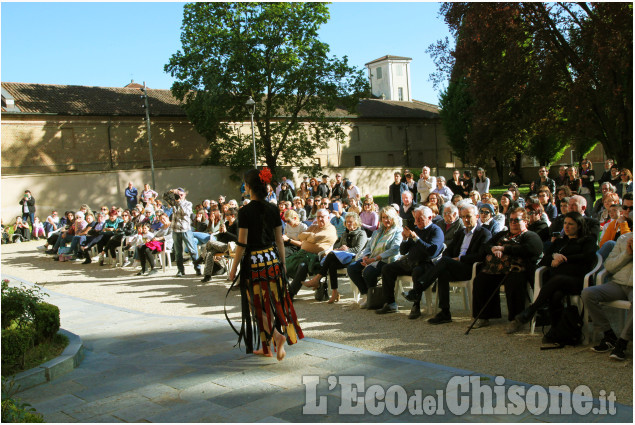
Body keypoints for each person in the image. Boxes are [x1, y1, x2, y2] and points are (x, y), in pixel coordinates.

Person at [228, 168, 303, 360]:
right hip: (272, 260)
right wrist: (283, 263)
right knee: (272, 302)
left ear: (249, 187)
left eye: (245, 184)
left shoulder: (245, 211)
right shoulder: (272, 208)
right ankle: (267, 346)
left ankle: (276, 337)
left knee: (256, 305)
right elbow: (279, 240)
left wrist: (234, 266)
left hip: (254, 263)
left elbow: (242, 243)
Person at [508, 212, 597, 338]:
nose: (566, 226)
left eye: (570, 224)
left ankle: (531, 310)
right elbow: (544, 259)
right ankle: (556, 330)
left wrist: (564, 259)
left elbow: (588, 257)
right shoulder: (560, 241)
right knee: (556, 294)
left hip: (578, 280)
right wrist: (554, 257)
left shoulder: (588, 240)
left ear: (579, 226)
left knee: (558, 280)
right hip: (557, 282)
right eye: (565, 223)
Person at [403, 204, 492, 323]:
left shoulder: (484, 233)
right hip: (455, 266)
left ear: (476, 216)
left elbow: (481, 255)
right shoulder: (461, 232)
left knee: (444, 262)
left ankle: (417, 290)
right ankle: (445, 312)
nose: (465, 220)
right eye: (463, 217)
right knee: (443, 272)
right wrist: (451, 259)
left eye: (469, 216)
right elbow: (447, 251)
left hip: (471, 268)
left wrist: (460, 259)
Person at [470, 207, 543, 328]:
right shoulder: (502, 234)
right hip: (497, 269)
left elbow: (531, 249)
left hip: (518, 269)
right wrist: (493, 249)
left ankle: (516, 319)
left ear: (525, 221)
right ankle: (484, 316)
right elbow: (485, 246)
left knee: (514, 282)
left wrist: (504, 249)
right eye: (511, 220)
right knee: (481, 280)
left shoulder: (530, 235)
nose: (513, 223)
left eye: (517, 220)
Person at [376, 206, 444, 315]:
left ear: (430, 217)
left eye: (420, 219)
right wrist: (405, 239)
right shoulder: (416, 230)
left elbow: (432, 251)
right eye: (416, 218)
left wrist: (415, 238)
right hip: (409, 262)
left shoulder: (436, 230)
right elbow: (403, 251)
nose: (417, 221)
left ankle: (416, 306)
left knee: (417, 271)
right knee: (387, 269)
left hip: (426, 264)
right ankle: (390, 303)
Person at [582, 232, 632, 361]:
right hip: (618, 284)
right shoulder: (624, 238)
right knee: (588, 293)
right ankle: (609, 335)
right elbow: (609, 266)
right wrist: (627, 254)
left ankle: (623, 342)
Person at [302, 213, 368, 303]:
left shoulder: (361, 233)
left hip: (355, 258)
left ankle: (317, 278)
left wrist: (345, 250)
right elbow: (339, 246)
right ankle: (334, 292)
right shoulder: (345, 233)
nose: (349, 224)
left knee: (331, 256)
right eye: (347, 222)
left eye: (351, 222)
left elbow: (358, 249)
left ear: (356, 222)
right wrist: (339, 249)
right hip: (343, 258)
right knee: (332, 263)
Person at [348, 206, 403, 309]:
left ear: (393, 218)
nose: (386, 220)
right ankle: (366, 294)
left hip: (386, 260)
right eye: (383, 217)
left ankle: (373, 297)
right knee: (352, 268)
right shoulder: (378, 231)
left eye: (388, 217)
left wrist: (374, 259)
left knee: (368, 272)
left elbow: (395, 249)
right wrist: (366, 256)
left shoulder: (398, 231)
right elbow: (369, 246)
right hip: (372, 258)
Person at [286, 209, 338, 299]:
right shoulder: (314, 226)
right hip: (302, 254)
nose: (320, 219)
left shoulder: (331, 229)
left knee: (302, 266)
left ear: (328, 218)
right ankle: (282, 290)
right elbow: (300, 235)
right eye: (318, 217)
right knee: (285, 264)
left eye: (322, 217)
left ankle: (290, 294)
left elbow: (314, 238)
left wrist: (309, 237)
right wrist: (311, 236)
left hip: (318, 258)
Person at [170, 187, 201, 277]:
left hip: (185, 229)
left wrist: (179, 202)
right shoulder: (174, 203)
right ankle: (180, 270)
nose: (179, 196)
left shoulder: (188, 203)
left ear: (185, 195)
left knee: (192, 250)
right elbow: (164, 197)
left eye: (181, 195)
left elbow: (186, 213)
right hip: (175, 229)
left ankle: (197, 268)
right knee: (178, 252)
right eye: (178, 195)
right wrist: (172, 191)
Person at [200, 208, 237, 282]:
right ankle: (207, 276)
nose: (225, 216)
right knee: (210, 253)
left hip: (231, 246)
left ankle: (201, 258)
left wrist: (226, 232)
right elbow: (221, 239)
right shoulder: (226, 224)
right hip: (222, 245)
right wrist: (220, 232)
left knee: (210, 242)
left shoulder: (237, 224)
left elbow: (237, 238)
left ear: (232, 215)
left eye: (227, 214)